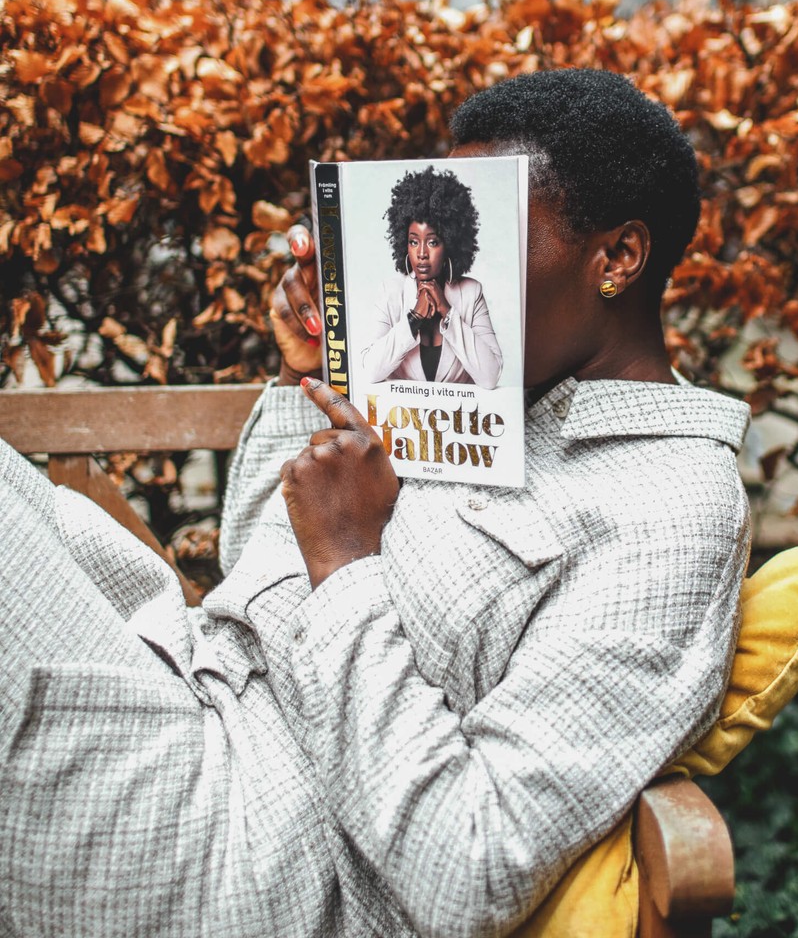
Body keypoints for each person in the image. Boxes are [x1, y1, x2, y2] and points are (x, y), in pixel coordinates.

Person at [0, 69, 751, 938]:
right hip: (179, 683)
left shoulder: (671, 514)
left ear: (616, 257)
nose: (440, 265)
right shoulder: (492, 382)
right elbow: (260, 576)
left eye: (486, 229)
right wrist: (306, 385)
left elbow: (465, 868)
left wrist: (350, 566)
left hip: (243, 845)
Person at [360, 165, 503, 388]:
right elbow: (369, 370)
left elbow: (490, 377)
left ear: (450, 243)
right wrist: (413, 318)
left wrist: (447, 311)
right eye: (414, 242)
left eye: (433, 242)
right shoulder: (391, 293)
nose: (422, 254)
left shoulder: (470, 293)